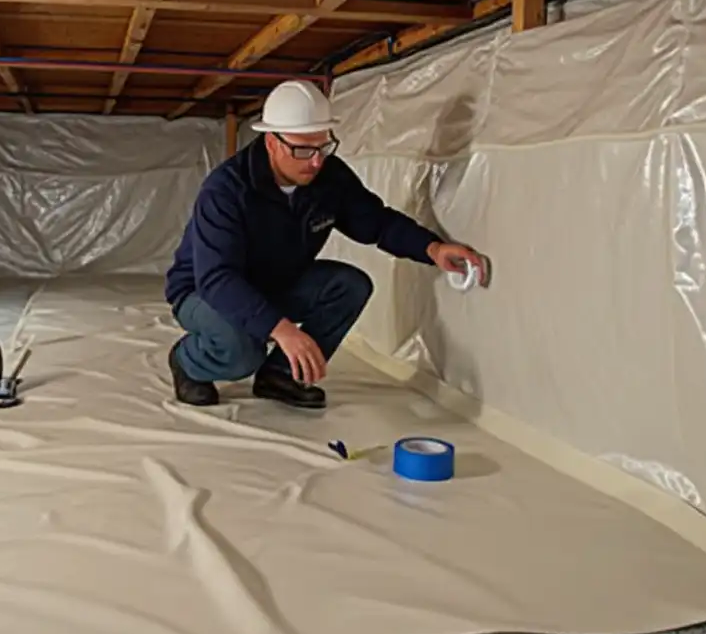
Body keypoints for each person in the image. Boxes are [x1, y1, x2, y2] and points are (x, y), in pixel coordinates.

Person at [162, 80, 489, 409]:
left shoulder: (329, 178)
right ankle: (188, 361)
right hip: (203, 292)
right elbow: (217, 278)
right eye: (304, 150)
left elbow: (375, 221)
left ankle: (280, 375)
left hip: (274, 281)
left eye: (323, 146)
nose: (316, 161)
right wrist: (282, 330)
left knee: (349, 286)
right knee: (243, 351)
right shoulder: (226, 190)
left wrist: (432, 249)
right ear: (272, 142)